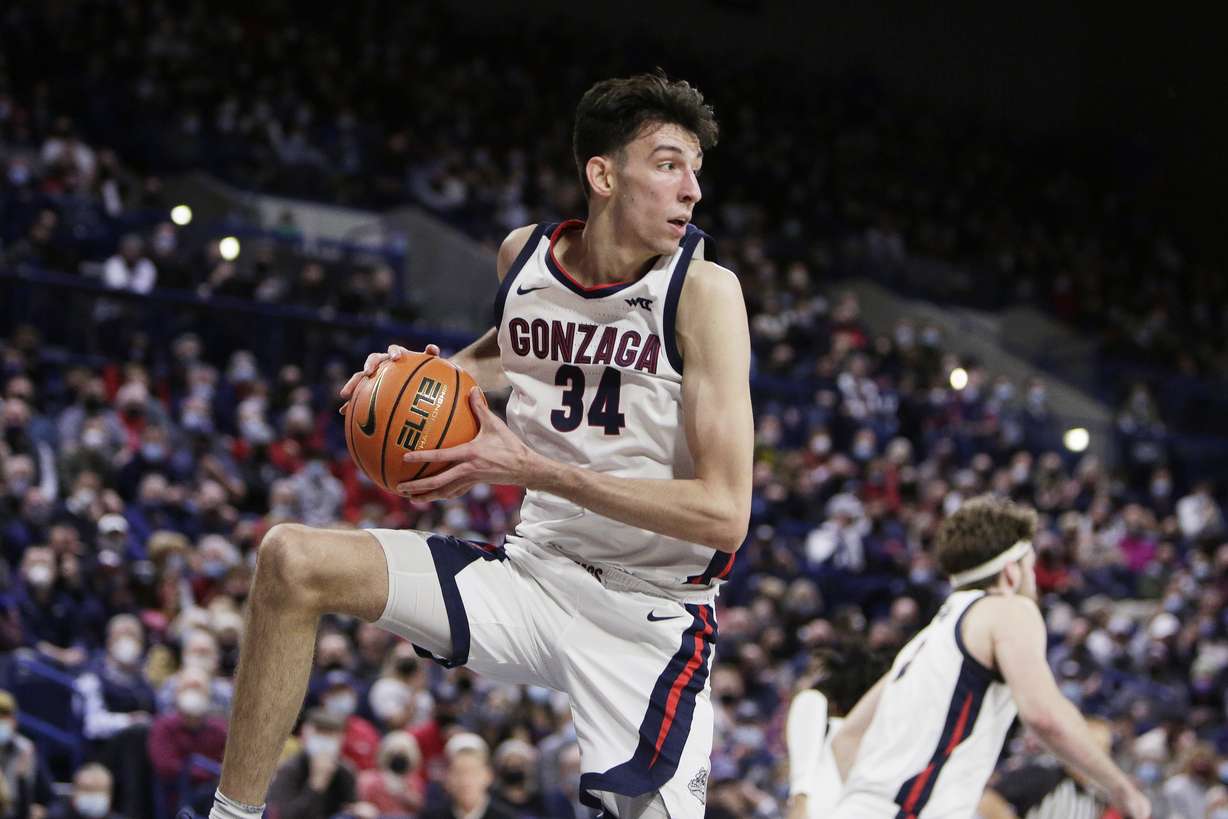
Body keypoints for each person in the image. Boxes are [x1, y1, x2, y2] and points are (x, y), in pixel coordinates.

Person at [207, 70, 751, 819]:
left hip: (651, 618)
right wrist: (410, 379)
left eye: (695, 169)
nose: (692, 189)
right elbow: (512, 350)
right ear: (602, 175)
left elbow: (725, 514)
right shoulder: (524, 260)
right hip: (535, 576)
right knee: (290, 561)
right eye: (668, 164)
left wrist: (531, 468)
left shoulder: (704, 292)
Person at [829, 496, 1151, 819]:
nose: (1035, 581)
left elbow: (846, 738)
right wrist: (1121, 789)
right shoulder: (1008, 609)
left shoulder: (925, 641)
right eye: (1030, 567)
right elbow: (1043, 715)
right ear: (1011, 573)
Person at [784, 643, 892, 819]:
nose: (801, 682)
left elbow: (802, 775)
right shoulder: (867, 735)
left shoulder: (811, 700)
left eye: (811, 673)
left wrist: (799, 803)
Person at [978, 718, 1115, 819]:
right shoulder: (1045, 776)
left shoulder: (1097, 799)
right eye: (1091, 746)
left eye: (1102, 748)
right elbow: (989, 800)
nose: (1095, 756)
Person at [421, 734, 515, 819]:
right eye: (459, 773)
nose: (466, 781)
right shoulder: (431, 816)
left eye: (473, 772)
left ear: (488, 776)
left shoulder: (506, 816)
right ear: (447, 778)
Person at [0, 689, 52, 819]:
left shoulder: (26, 750)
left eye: (4, 716)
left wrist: (43, 810)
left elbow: (49, 800)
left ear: (14, 720)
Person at [47, 763, 123, 819]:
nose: (92, 795)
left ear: (110, 795)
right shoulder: (56, 816)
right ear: (74, 792)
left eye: (97, 789)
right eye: (87, 789)